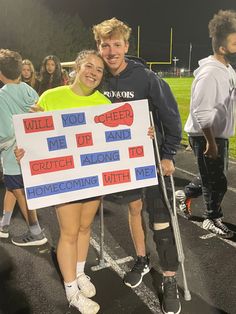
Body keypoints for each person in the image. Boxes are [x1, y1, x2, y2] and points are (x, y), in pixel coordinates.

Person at [93, 18, 182, 314]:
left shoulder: (145, 78)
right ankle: (142, 260)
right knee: (133, 211)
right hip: (121, 162)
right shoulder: (98, 77)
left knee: (159, 219)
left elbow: (170, 118)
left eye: (116, 44)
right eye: (105, 45)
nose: (111, 51)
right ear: (99, 47)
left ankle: (169, 278)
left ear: (126, 46)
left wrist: (167, 154)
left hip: (150, 160)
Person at [16, 50, 111, 314]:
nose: (93, 73)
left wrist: (140, 132)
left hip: (93, 175)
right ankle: (71, 291)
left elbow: (119, 134)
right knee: (69, 232)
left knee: (84, 226)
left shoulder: (104, 102)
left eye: (99, 70)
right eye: (88, 66)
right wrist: (23, 146)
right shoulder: (51, 96)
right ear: (77, 69)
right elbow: (31, 135)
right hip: (64, 177)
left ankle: (79, 273)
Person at [184, 10, 236, 238]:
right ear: (223, 47)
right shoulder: (209, 74)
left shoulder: (226, 68)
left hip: (217, 135)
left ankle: (184, 194)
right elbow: (201, 111)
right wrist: (210, 142)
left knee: (215, 178)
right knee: (215, 181)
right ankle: (211, 217)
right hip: (207, 136)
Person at [0, 49, 47, 246]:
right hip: (30, 151)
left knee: (21, 192)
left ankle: (36, 233)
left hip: (13, 155)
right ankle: (4, 225)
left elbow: (5, 132)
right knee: (14, 188)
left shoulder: (2, 95)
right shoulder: (29, 90)